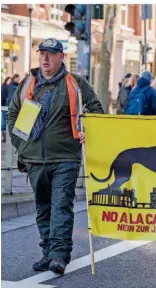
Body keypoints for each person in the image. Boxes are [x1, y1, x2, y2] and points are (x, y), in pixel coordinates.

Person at [6, 38, 104, 274]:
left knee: (61, 206)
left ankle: (59, 255)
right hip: (34, 160)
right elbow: (12, 115)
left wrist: (88, 131)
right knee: (43, 208)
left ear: (62, 57)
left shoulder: (76, 84)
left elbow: (97, 113)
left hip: (65, 158)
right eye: (42, 54)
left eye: (50, 54)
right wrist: (22, 146)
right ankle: (47, 253)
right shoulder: (28, 83)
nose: (45, 59)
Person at [1, 76, 11, 142]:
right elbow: (2, 97)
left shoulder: (8, 87)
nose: (10, 82)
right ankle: (3, 136)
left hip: (6, 106)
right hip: (4, 106)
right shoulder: (4, 87)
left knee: (6, 121)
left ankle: (5, 136)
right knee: (4, 121)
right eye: (9, 80)